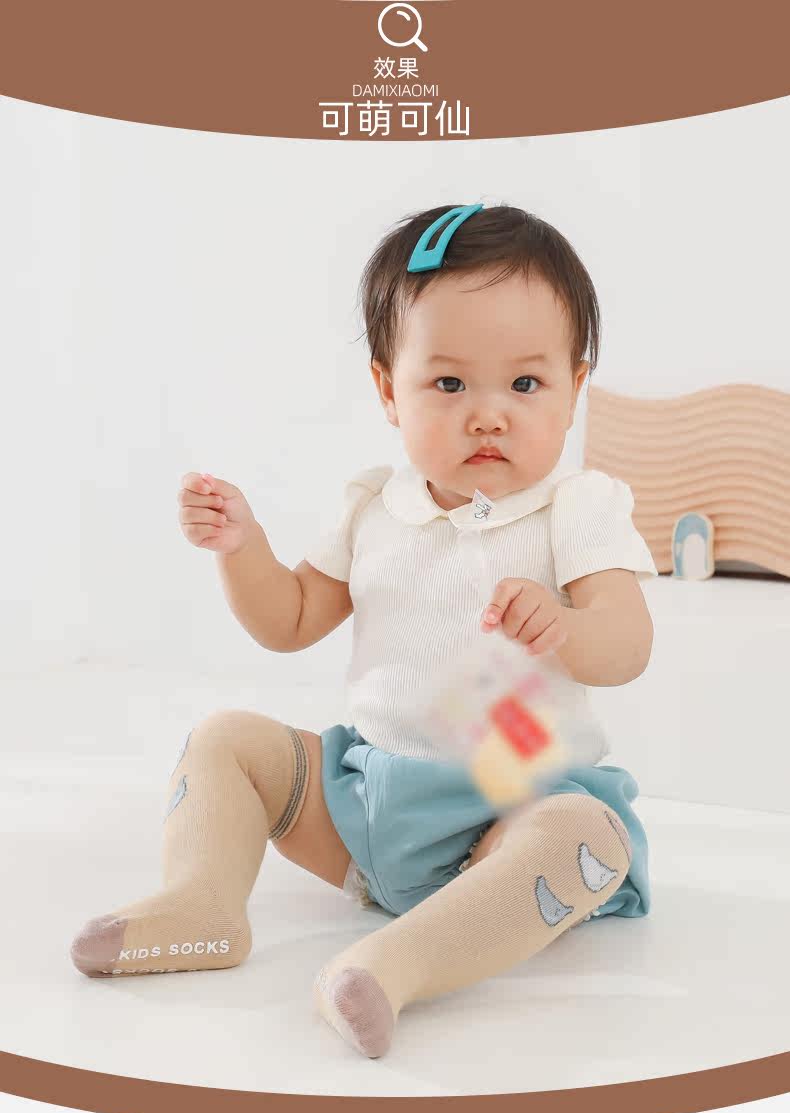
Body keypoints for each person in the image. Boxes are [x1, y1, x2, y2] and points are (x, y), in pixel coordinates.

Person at [71, 202, 657, 1060]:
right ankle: (201, 904)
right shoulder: (374, 506)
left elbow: (628, 644)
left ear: (575, 389)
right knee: (227, 740)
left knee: (580, 835)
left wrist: (566, 625)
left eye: (525, 385)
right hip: (367, 804)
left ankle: (395, 964)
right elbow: (289, 620)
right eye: (449, 385)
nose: (488, 415)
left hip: (509, 813)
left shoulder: (576, 509)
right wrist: (243, 548)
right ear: (389, 389)